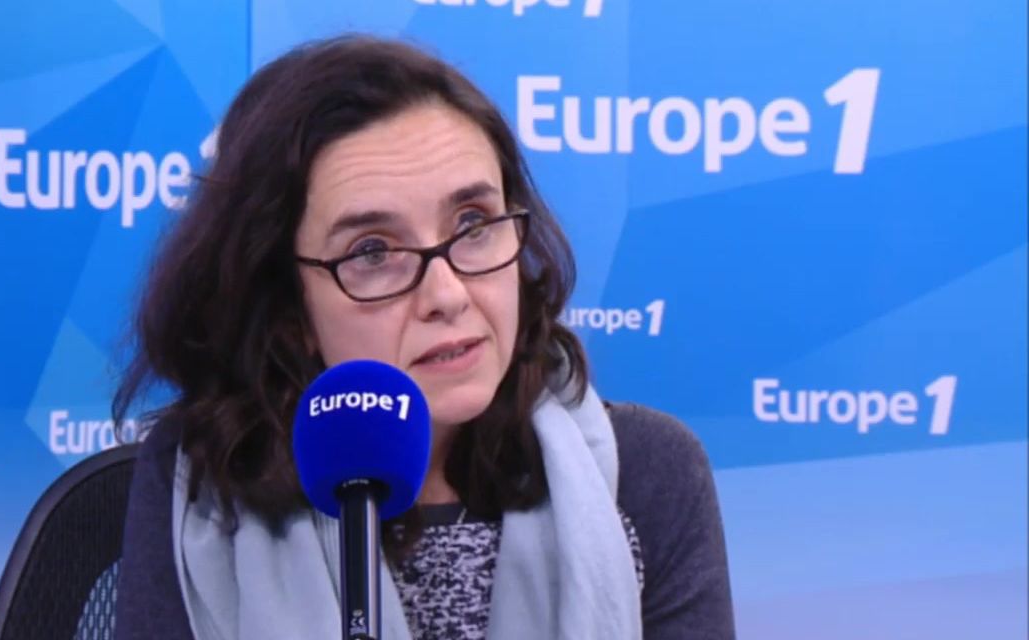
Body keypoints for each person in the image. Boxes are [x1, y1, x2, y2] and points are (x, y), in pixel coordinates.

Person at [111, 35, 734, 640]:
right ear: (288, 309)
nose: (448, 294)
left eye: (474, 223)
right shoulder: (202, 487)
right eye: (372, 251)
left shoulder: (646, 473)